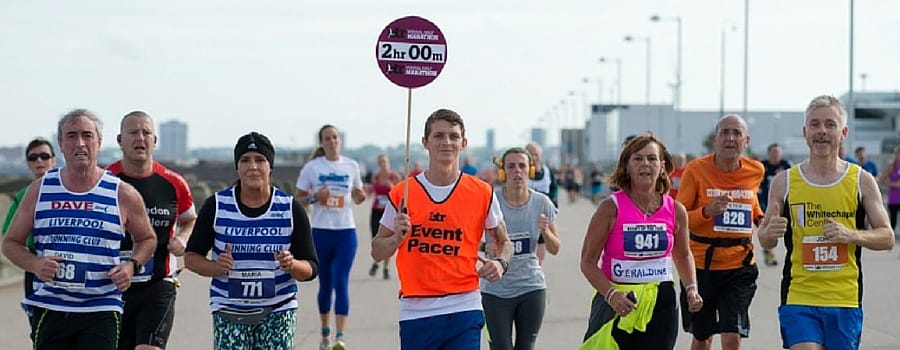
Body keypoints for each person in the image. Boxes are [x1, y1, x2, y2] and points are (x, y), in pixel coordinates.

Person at [2, 109, 157, 350]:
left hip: (101, 307)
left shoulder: (122, 193)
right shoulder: (39, 190)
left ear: (99, 142)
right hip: (52, 306)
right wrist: (35, 265)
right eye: (72, 136)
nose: (80, 143)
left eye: (87, 135)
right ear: (61, 144)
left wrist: (131, 265)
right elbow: (10, 243)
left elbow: (147, 238)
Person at [758, 95, 894, 350]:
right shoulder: (784, 182)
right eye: (815, 124)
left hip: (845, 298)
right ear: (805, 132)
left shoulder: (861, 181)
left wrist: (851, 235)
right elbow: (765, 239)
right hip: (799, 294)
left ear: (843, 132)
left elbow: (887, 237)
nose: (822, 131)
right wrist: (769, 232)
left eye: (830, 124)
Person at [371, 108, 512, 350]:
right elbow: (376, 251)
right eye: (438, 136)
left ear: (463, 143)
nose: (446, 142)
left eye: (453, 136)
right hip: (416, 311)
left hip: (464, 306)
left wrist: (501, 263)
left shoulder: (482, 192)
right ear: (425, 143)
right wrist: (396, 238)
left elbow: (505, 243)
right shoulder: (403, 193)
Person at [184, 131, 318, 350]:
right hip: (229, 310)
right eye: (245, 160)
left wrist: (292, 265)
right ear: (237, 167)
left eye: (260, 160)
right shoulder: (216, 206)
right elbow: (191, 258)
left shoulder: (290, 208)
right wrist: (216, 267)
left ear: (270, 167)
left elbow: (312, 268)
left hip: (278, 309)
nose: (252, 166)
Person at [580, 133, 702, 349]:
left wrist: (691, 288)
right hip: (618, 301)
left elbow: (683, 254)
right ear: (626, 166)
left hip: (661, 303)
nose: (645, 163)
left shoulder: (676, 210)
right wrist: (611, 295)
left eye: (652, 158)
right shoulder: (610, 208)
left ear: (662, 166)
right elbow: (587, 262)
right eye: (637, 158)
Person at [106, 111, 197, 350]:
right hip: (113, 286)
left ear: (154, 141)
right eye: (133, 132)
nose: (140, 138)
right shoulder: (105, 181)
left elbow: (191, 219)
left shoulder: (174, 182)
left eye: (146, 133)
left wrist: (182, 238)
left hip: (157, 284)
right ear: (119, 140)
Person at [675, 114, 764, 350]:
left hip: (740, 265)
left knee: (732, 333)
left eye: (736, 133)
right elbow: (678, 218)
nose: (730, 138)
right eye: (725, 132)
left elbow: (751, 202)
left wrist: (761, 219)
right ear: (715, 139)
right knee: (702, 337)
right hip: (701, 267)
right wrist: (706, 211)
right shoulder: (695, 170)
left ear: (746, 140)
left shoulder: (756, 170)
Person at [295, 124, 366, 350]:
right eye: (327, 138)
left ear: (340, 140)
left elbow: (359, 197)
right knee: (325, 284)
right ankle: (325, 333)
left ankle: (340, 337)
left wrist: (359, 195)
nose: (332, 141)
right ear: (322, 143)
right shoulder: (312, 168)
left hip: (346, 232)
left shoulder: (351, 166)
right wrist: (317, 196)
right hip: (321, 232)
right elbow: (299, 199)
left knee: (340, 281)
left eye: (335, 137)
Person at [482, 147, 560, 350]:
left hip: (531, 287)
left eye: (522, 166)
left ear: (530, 170)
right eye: (511, 166)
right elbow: (468, 240)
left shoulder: (542, 202)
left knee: (525, 347)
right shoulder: (491, 202)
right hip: (495, 290)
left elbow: (555, 248)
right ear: (503, 172)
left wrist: (546, 231)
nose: (517, 171)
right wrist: (485, 246)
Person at [2, 138, 57, 305]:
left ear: (53, 160)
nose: (39, 161)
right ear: (28, 164)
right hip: (36, 264)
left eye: (44, 156)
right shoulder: (23, 196)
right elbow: (8, 235)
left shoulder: (70, 189)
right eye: (33, 158)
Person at [367, 154, 402, 280]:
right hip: (376, 210)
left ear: (388, 163)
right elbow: (371, 191)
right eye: (381, 162)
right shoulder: (375, 177)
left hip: (389, 211)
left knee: (388, 240)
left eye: (385, 162)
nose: (383, 164)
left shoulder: (395, 176)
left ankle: (386, 268)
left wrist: (391, 186)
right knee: (376, 239)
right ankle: (376, 263)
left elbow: (400, 193)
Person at [758, 143, 792, 267]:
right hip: (765, 202)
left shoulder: (786, 166)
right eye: (773, 152)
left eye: (778, 152)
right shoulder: (763, 166)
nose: (775, 155)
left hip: (781, 203)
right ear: (769, 153)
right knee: (767, 227)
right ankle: (769, 252)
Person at [526, 142, 558, 264]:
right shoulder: (522, 172)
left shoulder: (548, 172)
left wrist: (553, 208)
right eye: (530, 155)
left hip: (543, 216)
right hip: (525, 216)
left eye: (536, 154)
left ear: (541, 156)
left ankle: (537, 270)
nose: (533, 158)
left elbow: (554, 190)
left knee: (540, 255)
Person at [879, 146, 900, 237]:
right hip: (894, 198)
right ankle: (890, 237)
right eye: (898, 154)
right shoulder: (892, 166)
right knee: (893, 220)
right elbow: (882, 179)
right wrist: (893, 184)